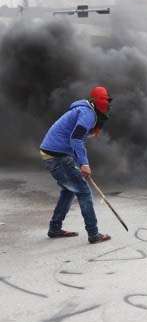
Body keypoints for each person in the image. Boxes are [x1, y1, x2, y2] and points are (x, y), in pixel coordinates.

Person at [40, 86, 112, 244]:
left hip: (52, 153)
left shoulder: (83, 109)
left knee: (69, 189)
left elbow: (76, 137)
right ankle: (94, 234)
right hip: (57, 156)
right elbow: (76, 139)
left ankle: (54, 228)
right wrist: (84, 164)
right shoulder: (88, 114)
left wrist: (79, 160)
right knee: (84, 192)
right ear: (98, 103)